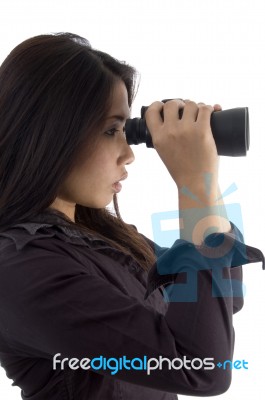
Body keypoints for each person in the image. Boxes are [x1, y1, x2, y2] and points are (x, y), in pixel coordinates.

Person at [0, 33, 263, 400]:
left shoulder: (100, 237)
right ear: (48, 135)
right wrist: (193, 182)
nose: (129, 154)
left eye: (127, 131)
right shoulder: (19, 268)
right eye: (111, 130)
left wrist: (205, 177)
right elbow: (201, 369)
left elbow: (218, 306)